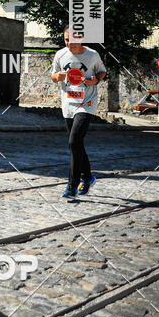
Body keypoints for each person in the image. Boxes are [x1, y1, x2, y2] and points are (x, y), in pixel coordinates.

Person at [50, 26, 106, 201]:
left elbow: (102, 72)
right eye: (66, 39)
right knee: (77, 144)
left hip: (86, 103)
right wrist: (57, 76)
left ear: (81, 38)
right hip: (68, 103)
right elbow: (53, 75)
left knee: (73, 141)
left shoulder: (92, 55)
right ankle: (88, 176)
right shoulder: (60, 54)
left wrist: (94, 80)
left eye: (73, 40)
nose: (69, 43)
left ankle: (72, 185)